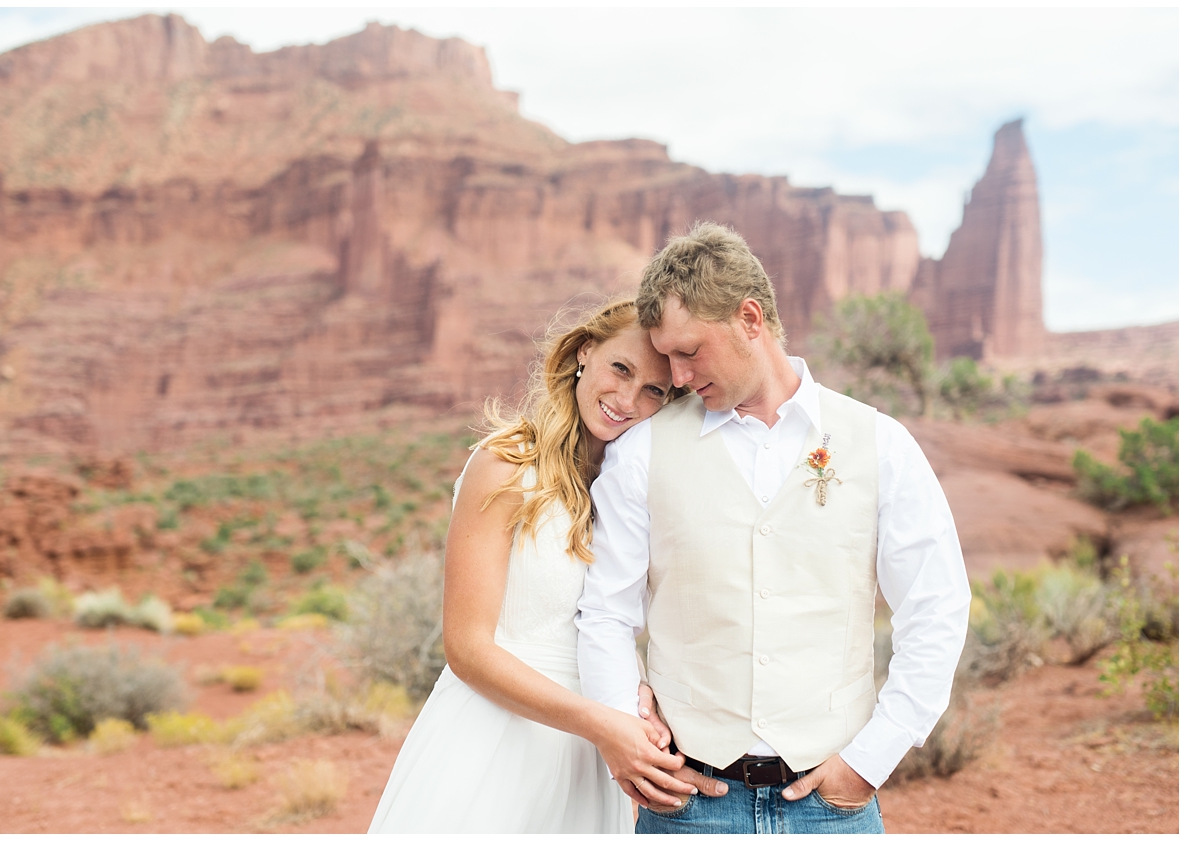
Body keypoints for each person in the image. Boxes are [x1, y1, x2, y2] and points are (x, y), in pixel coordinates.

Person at [577, 222, 970, 834]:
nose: (676, 377)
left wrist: (871, 760)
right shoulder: (643, 452)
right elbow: (604, 612)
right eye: (668, 356)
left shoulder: (879, 444)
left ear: (750, 320)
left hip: (833, 808)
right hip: (688, 806)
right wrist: (623, 729)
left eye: (689, 351)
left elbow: (937, 606)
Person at [369, 298, 691, 832]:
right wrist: (601, 725)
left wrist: (635, 694)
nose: (627, 399)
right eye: (620, 369)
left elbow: (613, 623)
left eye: (654, 390)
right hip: (495, 739)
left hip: (590, 754)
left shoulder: (637, 489)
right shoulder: (505, 465)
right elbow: (467, 648)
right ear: (586, 351)